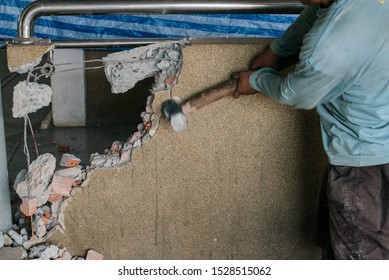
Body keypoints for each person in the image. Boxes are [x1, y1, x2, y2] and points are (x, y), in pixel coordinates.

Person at [232, 0, 389, 260]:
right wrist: (277, 50)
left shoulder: (329, 46)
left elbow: (296, 93)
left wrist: (256, 81)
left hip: (364, 165)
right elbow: (317, 10)